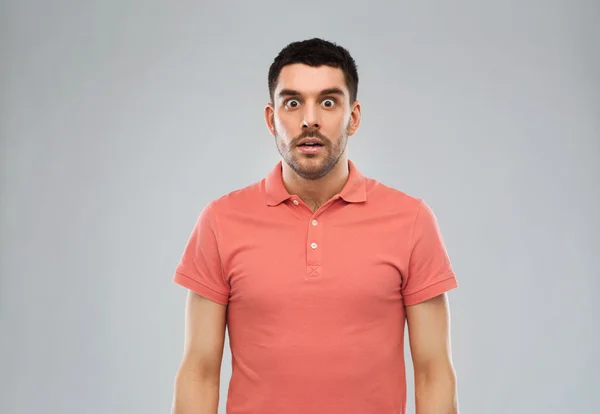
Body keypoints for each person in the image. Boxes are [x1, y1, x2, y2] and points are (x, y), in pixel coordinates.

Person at [171, 38, 459, 414]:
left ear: (352, 117)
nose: (310, 119)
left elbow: (433, 372)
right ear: (272, 118)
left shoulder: (411, 220)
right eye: (292, 103)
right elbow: (200, 369)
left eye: (328, 101)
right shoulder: (220, 221)